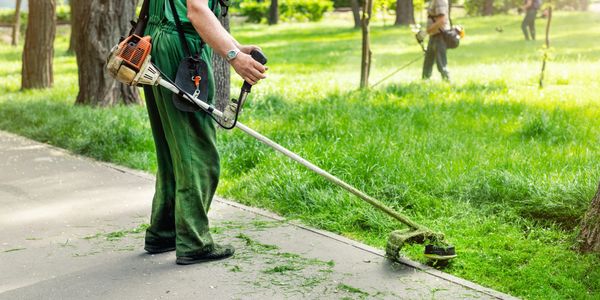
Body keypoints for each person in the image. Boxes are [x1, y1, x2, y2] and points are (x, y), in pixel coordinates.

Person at [142, 0, 267, 265]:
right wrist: (234, 57)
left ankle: (164, 232)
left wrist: (236, 47)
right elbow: (196, 10)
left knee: (172, 148)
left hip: (157, 41)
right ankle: (193, 242)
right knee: (197, 152)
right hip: (181, 50)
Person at [421, 0, 451, 81]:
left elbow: (441, 21)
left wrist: (426, 32)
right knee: (428, 62)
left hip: (440, 36)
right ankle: (424, 82)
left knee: (441, 63)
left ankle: (447, 82)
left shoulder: (439, 1)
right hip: (433, 35)